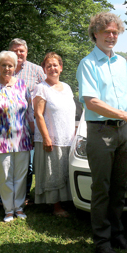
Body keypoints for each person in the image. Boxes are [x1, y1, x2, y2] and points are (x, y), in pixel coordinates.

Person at [76, 12, 127, 253]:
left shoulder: (122, 62)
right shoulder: (88, 63)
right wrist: (126, 117)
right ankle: (102, 241)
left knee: (118, 186)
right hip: (101, 132)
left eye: (115, 32)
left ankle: (117, 233)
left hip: (123, 132)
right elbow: (92, 102)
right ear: (95, 34)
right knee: (102, 188)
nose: (111, 36)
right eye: (106, 32)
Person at [0, 51, 34, 222]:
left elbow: (29, 113)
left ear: (15, 67)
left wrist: (33, 134)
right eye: (3, 65)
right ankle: (8, 209)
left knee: (20, 175)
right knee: (4, 176)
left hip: (22, 139)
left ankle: (19, 208)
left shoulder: (22, 85)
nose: (7, 68)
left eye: (10, 65)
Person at [0, 38, 45, 211]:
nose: (18, 53)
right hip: (3, 129)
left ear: (26, 52)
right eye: (15, 50)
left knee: (27, 165)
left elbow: (47, 90)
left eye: (21, 50)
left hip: (29, 124)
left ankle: (23, 197)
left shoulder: (37, 70)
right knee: (4, 165)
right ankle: (2, 199)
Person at [33, 52, 75, 217]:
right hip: (51, 137)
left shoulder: (67, 87)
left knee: (65, 170)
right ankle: (56, 206)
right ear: (44, 69)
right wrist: (46, 137)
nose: (52, 68)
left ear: (61, 68)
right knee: (53, 172)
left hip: (68, 137)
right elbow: (38, 114)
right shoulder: (41, 88)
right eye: (48, 66)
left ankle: (68, 201)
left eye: (55, 65)